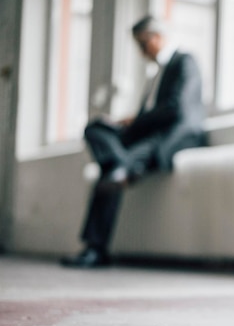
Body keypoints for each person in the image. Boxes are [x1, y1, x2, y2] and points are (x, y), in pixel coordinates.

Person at [61, 15, 206, 268]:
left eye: (143, 43)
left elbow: (175, 109)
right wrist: (129, 122)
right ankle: (119, 163)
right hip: (143, 134)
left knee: (109, 176)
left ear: (157, 37)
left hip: (168, 136)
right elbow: (152, 112)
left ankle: (95, 250)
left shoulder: (185, 61)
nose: (140, 51)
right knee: (95, 127)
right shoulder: (154, 74)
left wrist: (136, 122)